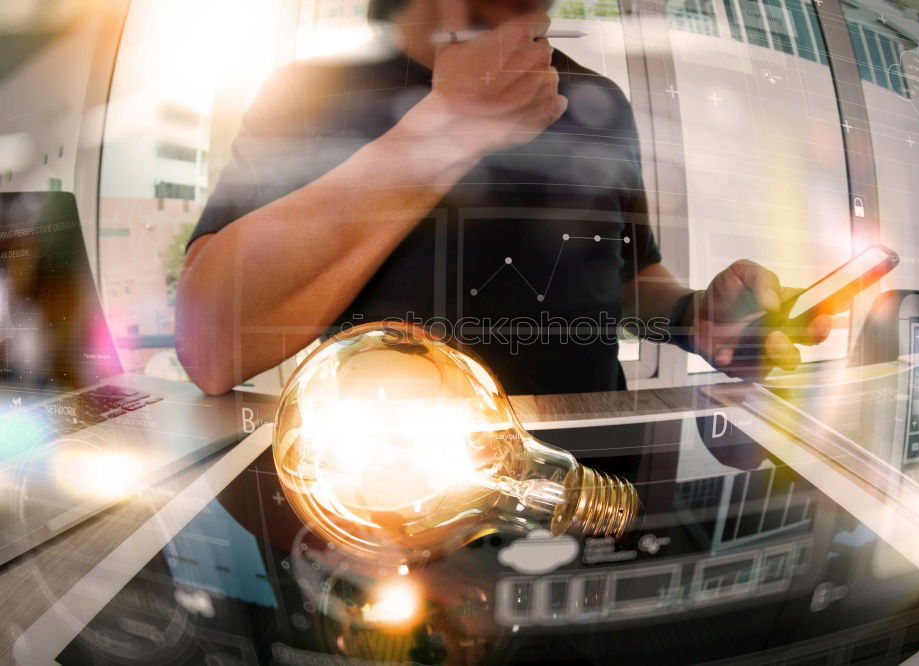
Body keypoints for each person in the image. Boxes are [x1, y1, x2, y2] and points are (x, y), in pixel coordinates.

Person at [175, 0, 831, 396]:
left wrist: (694, 317)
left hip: (591, 488)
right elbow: (210, 348)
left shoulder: (599, 101)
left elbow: (625, 279)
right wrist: (441, 131)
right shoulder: (304, 94)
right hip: (381, 496)